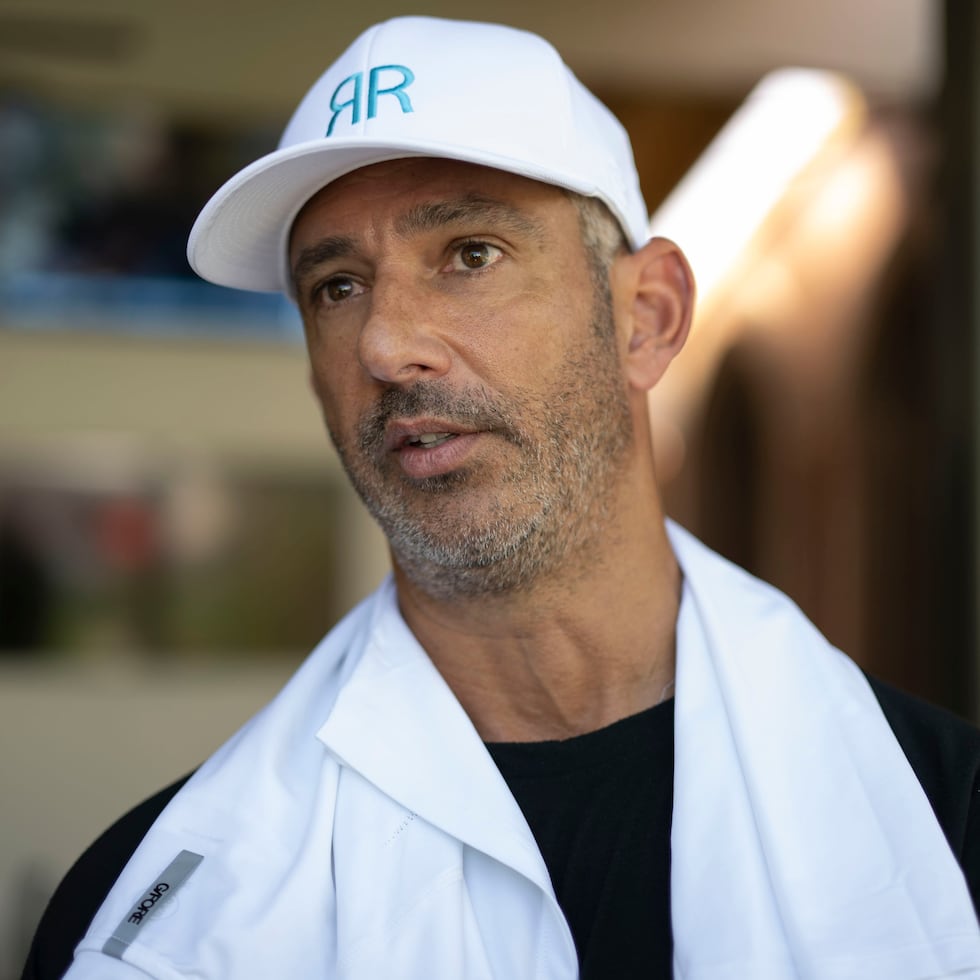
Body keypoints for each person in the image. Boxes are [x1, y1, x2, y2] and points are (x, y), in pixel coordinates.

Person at [23, 15, 980, 980]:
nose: (386, 347)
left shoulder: (949, 822)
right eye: (338, 286)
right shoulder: (152, 918)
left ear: (646, 317)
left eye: (471, 254)